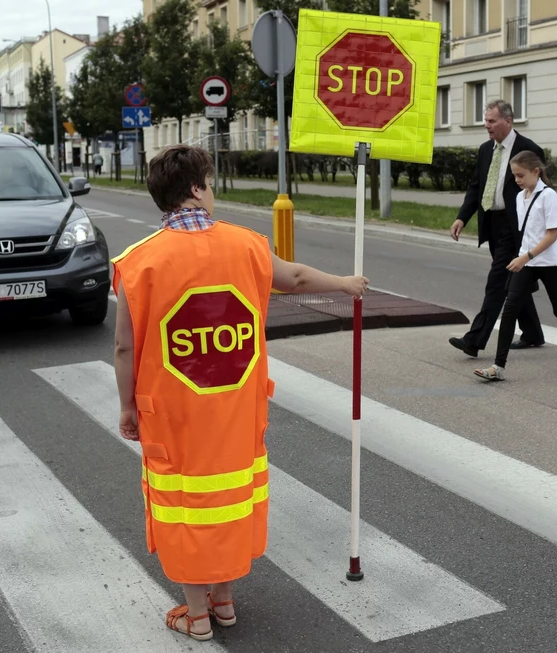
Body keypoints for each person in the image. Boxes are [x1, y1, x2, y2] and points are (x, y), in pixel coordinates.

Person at [111, 145, 368, 641]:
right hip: (237, 410)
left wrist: (127, 407)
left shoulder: (139, 263)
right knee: (230, 500)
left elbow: (125, 347)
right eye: (209, 182)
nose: (213, 191)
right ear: (195, 190)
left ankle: (197, 615)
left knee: (182, 507)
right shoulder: (247, 245)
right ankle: (225, 601)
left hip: (173, 417)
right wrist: (345, 283)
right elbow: (291, 278)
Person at [474, 150, 557, 381]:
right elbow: (526, 232)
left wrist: (527, 256)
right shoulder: (520, 197)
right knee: (510, 309)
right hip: (527, 261)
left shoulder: (548, 196)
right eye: (514, 175)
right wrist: (521, 256)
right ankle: (498, 367)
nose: (517, 180)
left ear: (536, 172)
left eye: (521, 175)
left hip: (548, 263)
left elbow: (552, 235)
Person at [448, 99, 546, 358]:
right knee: (514, 281)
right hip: (492, 223)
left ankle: (474, 339)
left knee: (497, 282)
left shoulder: (528, 150)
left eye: (491, 121)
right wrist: (462, 217)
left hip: (516, 228)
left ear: (508, 121)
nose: (486, 125)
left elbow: (543, 192)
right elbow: (476, 186)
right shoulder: (485, 150)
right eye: (486, 120)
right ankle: (534, 333)